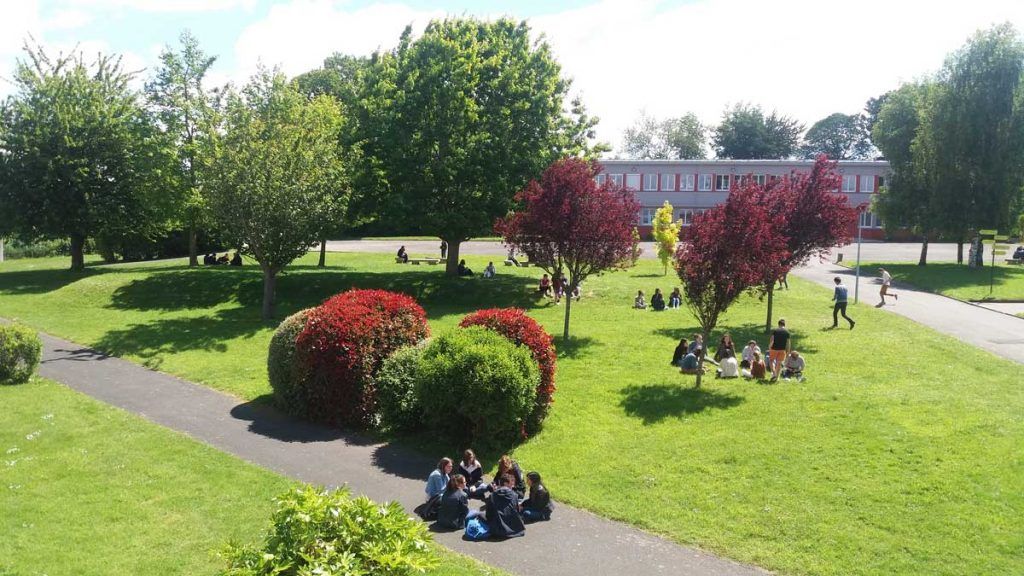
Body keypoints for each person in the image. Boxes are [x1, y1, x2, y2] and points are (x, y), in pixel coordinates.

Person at [485, 473, 526, 538]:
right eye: (511, 484)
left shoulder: (492, 495)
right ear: (505, 484)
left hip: (497, 530)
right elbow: (517, 511)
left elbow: (488, 513)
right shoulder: (514, 495)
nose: (512, 486)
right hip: (514, 528)